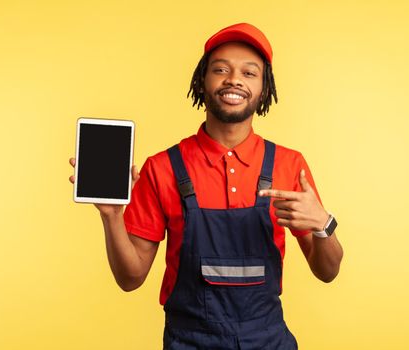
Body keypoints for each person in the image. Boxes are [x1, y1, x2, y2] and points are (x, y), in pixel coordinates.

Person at [69, 23, 343, 350]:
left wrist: (323, 224)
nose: (234, 79)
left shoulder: (289, 165)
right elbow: (130, 279)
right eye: (221, 69)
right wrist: (112, 216)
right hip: (189, 342)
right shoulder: (163, 168)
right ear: (202, 80)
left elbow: (327, 271)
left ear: (264, 88)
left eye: (249, 72)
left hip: (269, 341)